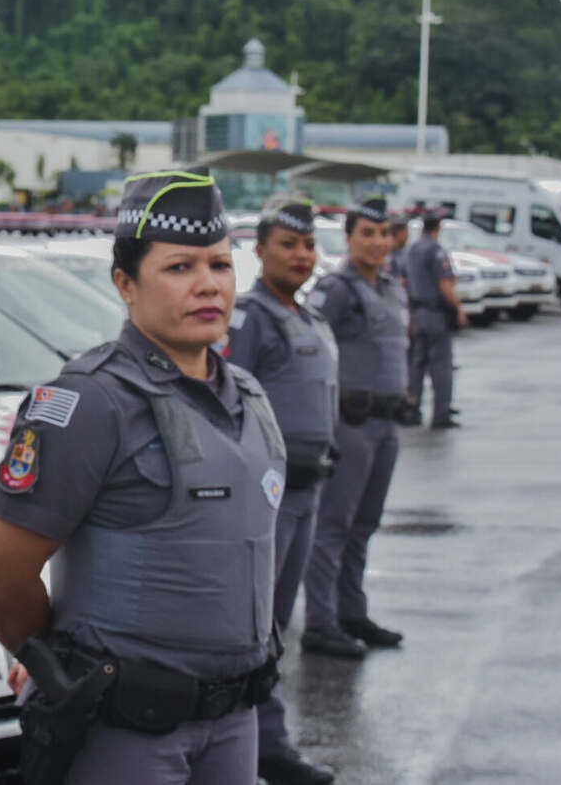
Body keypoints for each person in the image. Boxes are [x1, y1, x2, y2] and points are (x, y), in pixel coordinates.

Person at [0, 169, 286, 785]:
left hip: (235, 717)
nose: (207, 286)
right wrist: (51, 662)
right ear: (126, 282)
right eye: (179, 268)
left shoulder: (248, 395)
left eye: (220, 266)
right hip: (127, 728)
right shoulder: (90, 404)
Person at [226, 201, 338, 785]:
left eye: (309, 246)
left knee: (277, 624)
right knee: (256, 623)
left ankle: (266, 739)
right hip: (270, 494)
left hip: (309, 488)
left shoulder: (308, 315)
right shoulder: (251, 318)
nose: (302, 256)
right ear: (261, 250)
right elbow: (229, 403)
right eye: (289, 245)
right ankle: (257, 743)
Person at [301, 197, 408, 659]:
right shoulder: (337, 288)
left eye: (384, 233)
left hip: (387, 424)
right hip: (350, 423)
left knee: (364, 525)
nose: (378, 243)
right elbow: (311, 344)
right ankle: (320, 624)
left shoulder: (391, 287)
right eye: (368, 233)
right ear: (349, 238)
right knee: (333, 526)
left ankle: (351, 612)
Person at [405, 210, 466, 428]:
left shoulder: (412, 249)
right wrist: (458, 308)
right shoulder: (436, 251)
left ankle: (412, 408)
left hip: (417, 313)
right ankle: (441, 414)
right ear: (438, 227)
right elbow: (445, 285)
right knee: (441, 366)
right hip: (435, 314)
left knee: (417, 365)